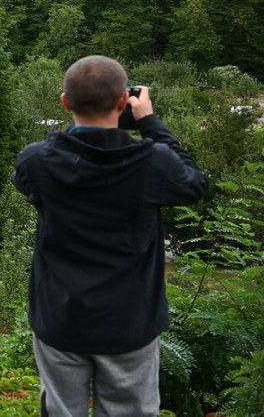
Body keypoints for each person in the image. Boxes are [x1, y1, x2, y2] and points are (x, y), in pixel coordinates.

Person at [12, 55, 207, 416]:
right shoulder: (151, 162)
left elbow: (34, 175)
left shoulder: (37, 161)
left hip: (60, 319)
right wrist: (149, 122)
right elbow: (194, 184)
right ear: (123, 102)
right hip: (128, 323)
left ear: (65, 102)